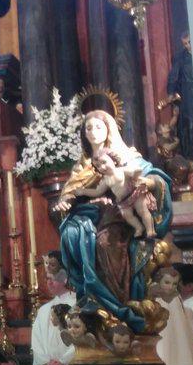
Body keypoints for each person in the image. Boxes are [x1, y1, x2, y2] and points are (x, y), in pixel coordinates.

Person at [54, 108, 173, 332]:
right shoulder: (82, 166)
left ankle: (116, 304)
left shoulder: (126, 156)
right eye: (88, 127)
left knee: (106, 244)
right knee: (71, 234)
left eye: (98, 126)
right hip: (90, 215)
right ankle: (91, 300)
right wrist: (67, 200)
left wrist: (148, 183)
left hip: (120, 213)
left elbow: (153, 177)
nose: (93, 131)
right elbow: (78, 192)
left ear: (108, 130)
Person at [150, 266, 193, 365]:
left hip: (173, 336)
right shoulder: (153, 296)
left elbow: (179, 324)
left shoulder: (174, 298)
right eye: (167, 282)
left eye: (174, 284)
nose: (170, 287)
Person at [166, 33, 193, 161]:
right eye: (185, 44)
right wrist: (171, 92)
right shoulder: (181, 58)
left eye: (189, 42)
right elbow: (174, 76)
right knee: (189, 125)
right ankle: (192, 156)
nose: (187, 46)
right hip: (188, 95)